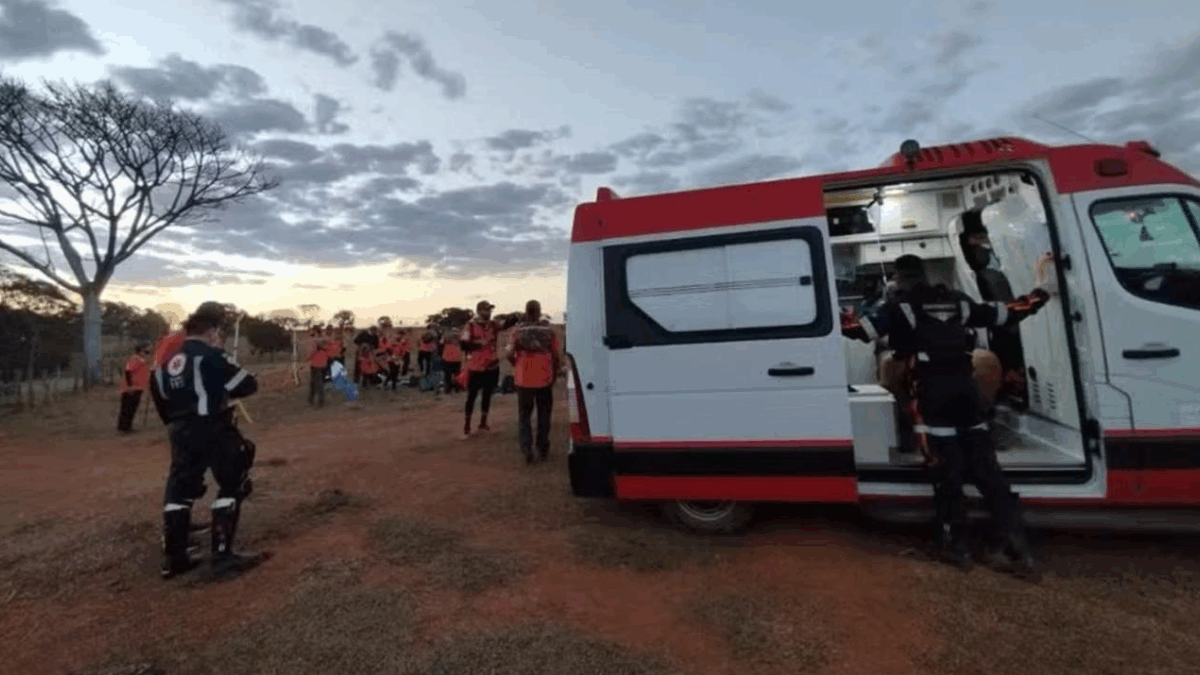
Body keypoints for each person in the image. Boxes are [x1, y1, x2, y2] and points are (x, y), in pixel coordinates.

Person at [840, 253, 1054, 575]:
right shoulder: (958, 300)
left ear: (898, 279)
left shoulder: (899, 306)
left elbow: (859, 330)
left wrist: (833, 312)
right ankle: (1018, 548)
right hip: (966, 391)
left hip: (931, 394)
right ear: (924, 274)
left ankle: (957, 548)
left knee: (945, 470)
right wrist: (1044, 288)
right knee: (987, 468)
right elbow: (1009, 312)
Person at [148, 302, 266, 581]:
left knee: (180, 492)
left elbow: (159, 396)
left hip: (180, 431)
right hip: (213, 427)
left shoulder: (166, 364)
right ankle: (223, 557)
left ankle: (175, 559)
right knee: (232, 484)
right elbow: (248, 385)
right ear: (212, 332)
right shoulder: (213, 356)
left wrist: (177, 422)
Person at [505, 300, 561, 463]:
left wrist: (517, 364)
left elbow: (508, 353)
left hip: (523, 379)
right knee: (544, 414)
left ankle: (526, 448)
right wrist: (555, 373)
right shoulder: (549, 330)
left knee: (524, 416)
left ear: (526, 311)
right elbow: (557, 355)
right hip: (545, 378)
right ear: (538, 311)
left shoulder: (517, 330)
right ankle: (542, 447)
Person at [459, 301, 504, 438]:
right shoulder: (470, 326)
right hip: (475, 367)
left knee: (487, 394)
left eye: (490, 310)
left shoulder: (493, 325)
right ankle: (467, 426)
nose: (489, 313)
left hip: (491, 365)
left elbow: (506, 324)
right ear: (478, 311)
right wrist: (478, 344)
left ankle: (483, 423)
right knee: (471, 396)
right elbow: (463, 344)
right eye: (486, 310)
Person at [117, 343, 151, 433]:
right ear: (140, 351)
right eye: (146, 350)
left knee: (131, 408)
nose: (148, 352)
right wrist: (130, 386)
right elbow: (128, 371)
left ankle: (126, 427)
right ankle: (124, 428)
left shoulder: (140, 359)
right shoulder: (135, 359)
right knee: (128, 408)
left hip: (137, 388)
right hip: (131, 389)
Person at [307, 332, 329, 407]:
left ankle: (320, 400)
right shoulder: (322, 349)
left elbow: (310, 355)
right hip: (319, 367)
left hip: (317, 367)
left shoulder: (319, 348)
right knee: (314, 384)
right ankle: (312, 399)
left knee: (318, 384)